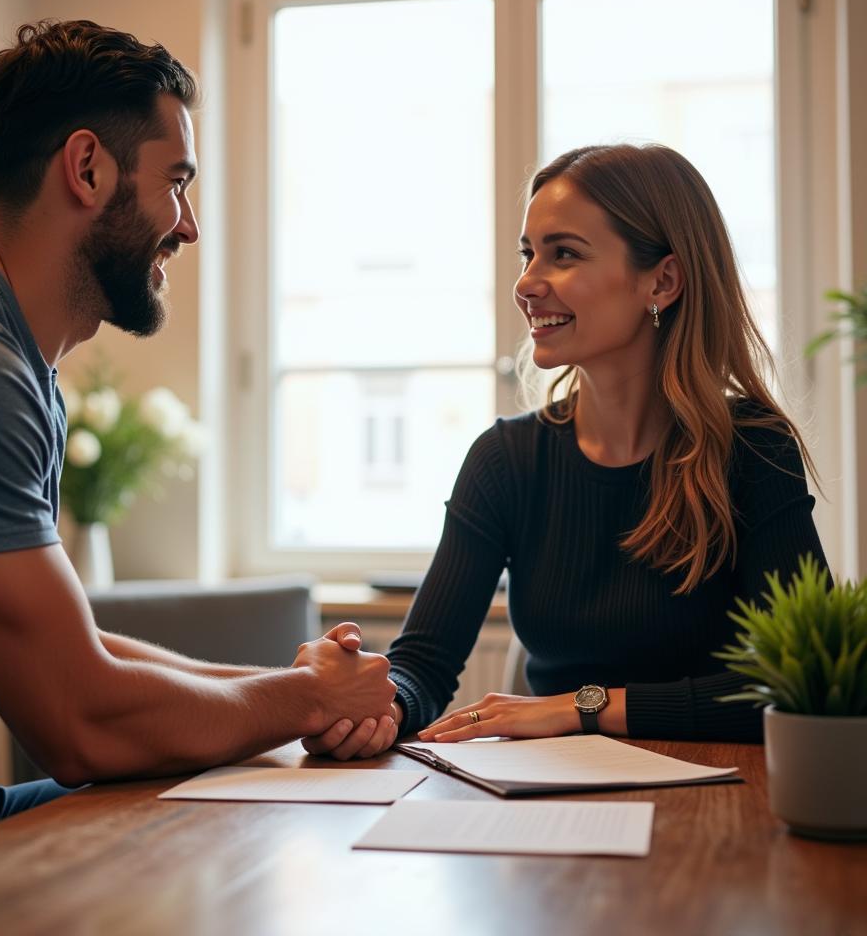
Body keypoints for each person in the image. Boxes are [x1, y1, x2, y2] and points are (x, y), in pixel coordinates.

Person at [0, 20, 395, 876]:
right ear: (89, 167)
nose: (189, 227)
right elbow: (80, 719)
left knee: (242, 779)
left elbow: (77, 648)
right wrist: (307, 695)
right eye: (177, 183)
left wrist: (287, 691)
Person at [304, 142, 828, 762]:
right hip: (548, 792)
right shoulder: (506, 459)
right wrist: (370, 707)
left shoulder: (753, 449)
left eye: (564, 254)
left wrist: (584, 706)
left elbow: (808, 679)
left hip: (719, 799)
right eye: (529, 254)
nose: (527, 283)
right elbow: (424, 661)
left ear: (661, 280)